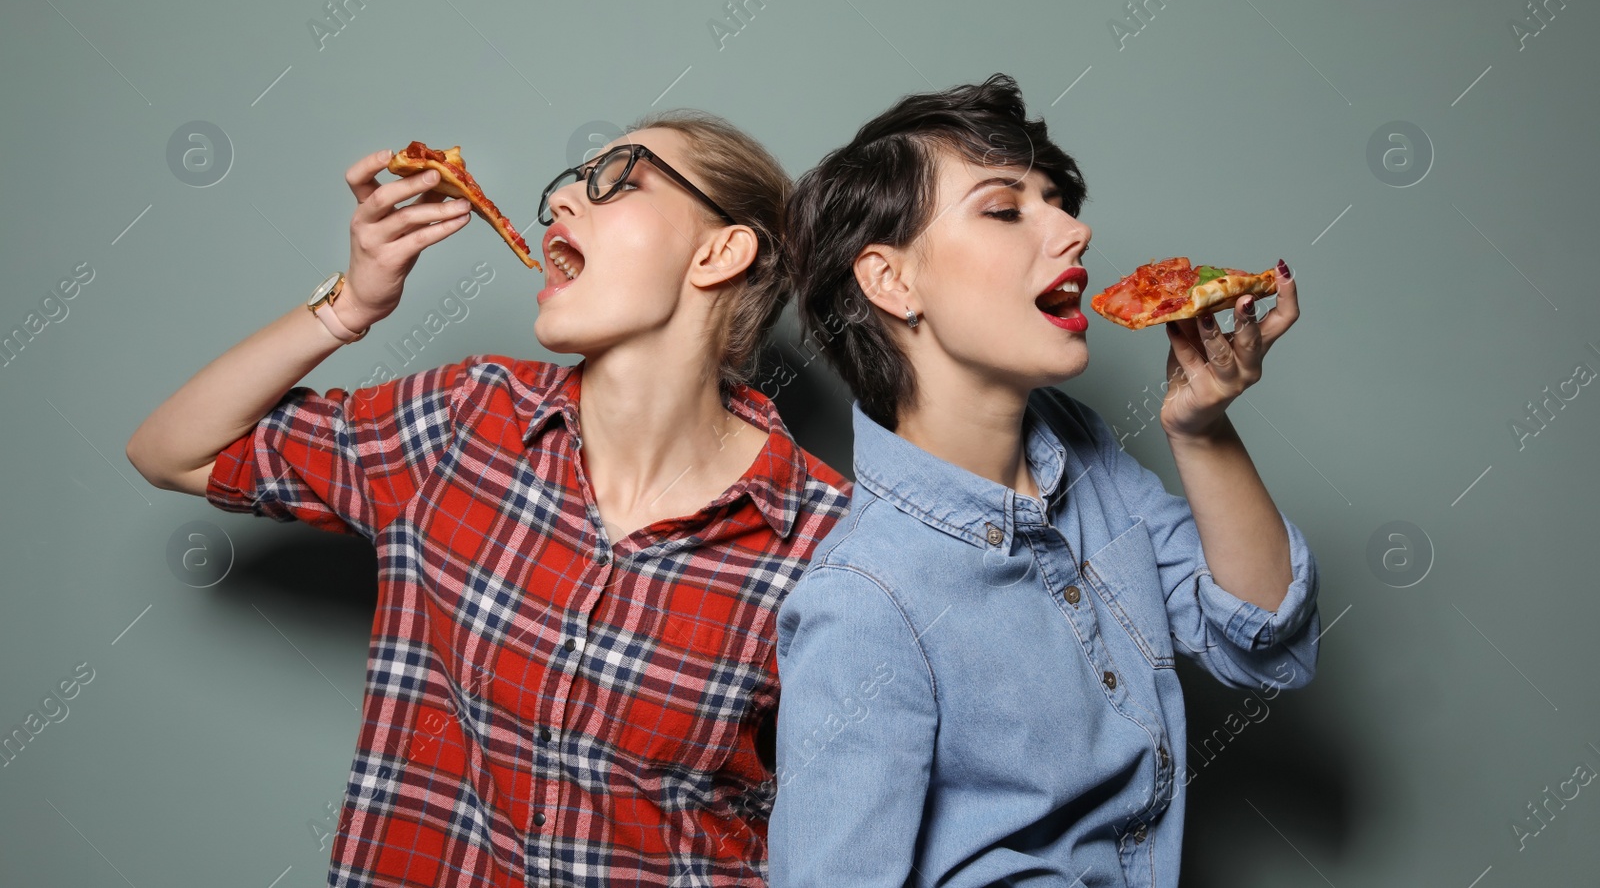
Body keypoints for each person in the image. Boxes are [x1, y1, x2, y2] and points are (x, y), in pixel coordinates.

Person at [126, 112, 852, 887]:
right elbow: (171, 450)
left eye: (619, 179)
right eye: (570, 183)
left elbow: (847, 826)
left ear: (720, 250)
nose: (565, 199)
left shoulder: (828, 543)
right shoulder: (464, 420)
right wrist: (348, 309)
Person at [768, 74, 1321, 888]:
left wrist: (1199, 430)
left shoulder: (1081, 454)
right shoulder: (863, 602)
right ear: (891, 281)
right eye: (1005, 208)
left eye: (1058, 199)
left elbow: (1264, 640)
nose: (1075, 227)